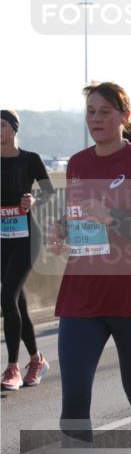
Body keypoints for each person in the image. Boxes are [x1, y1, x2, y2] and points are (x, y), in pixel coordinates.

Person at [48, 82, 131, 450]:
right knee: (73, 403)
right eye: (90, 112)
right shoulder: (77, 164)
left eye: (105, 111)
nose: (96, 119)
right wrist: (61, 230)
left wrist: (114, 217)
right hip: (82, 297)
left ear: (125, 116)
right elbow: (82, 219)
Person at [1, 109, 55, 391]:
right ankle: (36, 360)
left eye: (1, 125)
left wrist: (32, 199)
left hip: (27, 237)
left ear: (13, 129)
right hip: (1, 239)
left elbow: (49, 192)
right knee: (15, 302)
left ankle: (12, 368)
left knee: (7, 296)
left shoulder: (30, 159)